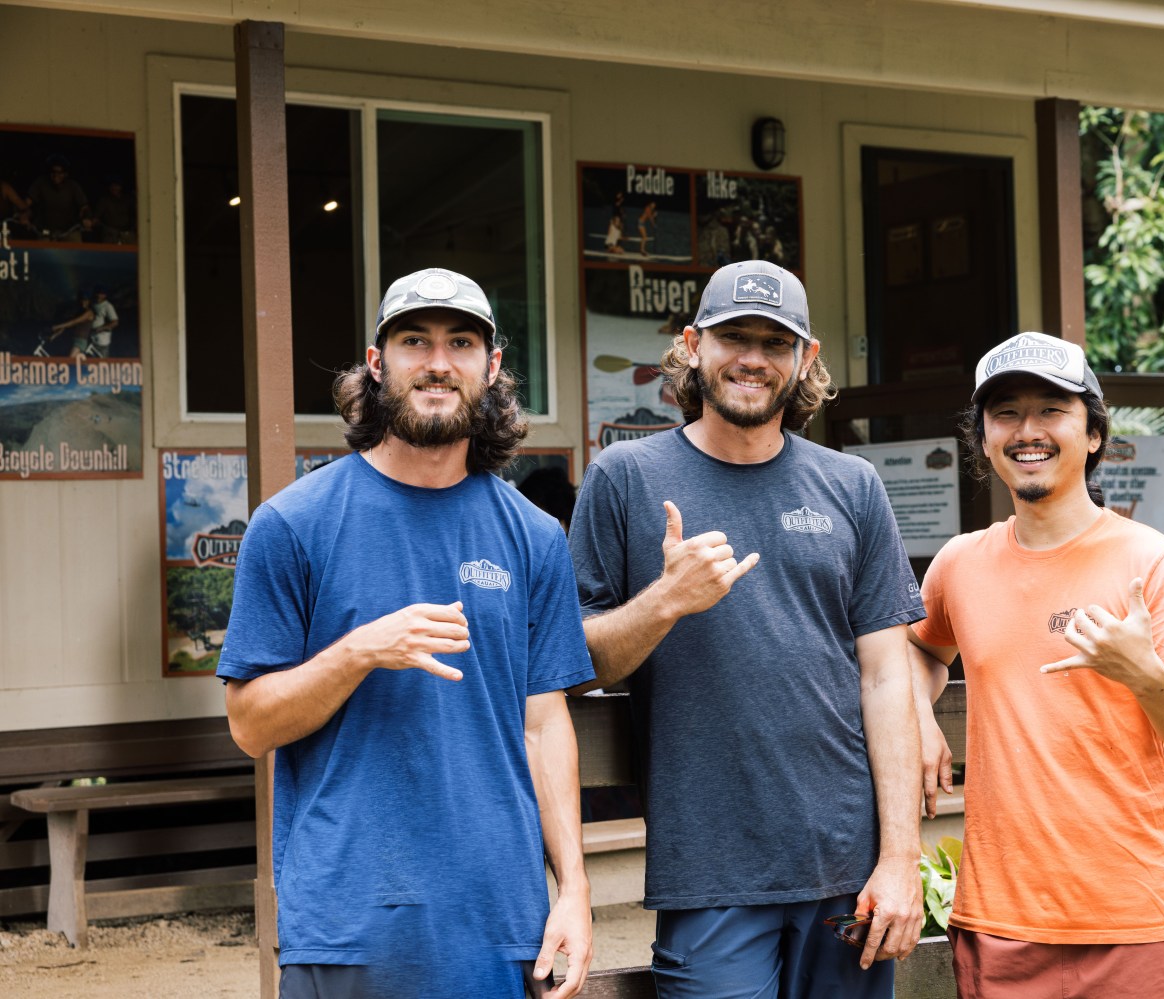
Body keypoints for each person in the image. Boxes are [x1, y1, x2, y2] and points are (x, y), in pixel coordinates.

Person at [216, 267, 595, 999]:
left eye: (460, 342)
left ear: (491, 367)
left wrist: (573, 889)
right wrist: (359, 650)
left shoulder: (534, 537)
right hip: (346, 920)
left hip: (498, 919)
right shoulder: (293, 524)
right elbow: (250, 726)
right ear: (376, 361)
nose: (438, 362)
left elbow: (544, 726)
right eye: (414, 340)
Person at [568, 259, 927, 999]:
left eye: (775, 340)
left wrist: (900, 856)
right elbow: (578, 660)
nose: (753, 358)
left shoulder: (851, 485)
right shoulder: (625, 478)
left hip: (847, 865)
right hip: (710, 866)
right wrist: (664, 600)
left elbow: (888, 676)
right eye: (735, 336)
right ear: (693, 344)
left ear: (805, 358)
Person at [906, 331, 1164, 998]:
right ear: (984, 439)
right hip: (999, 920)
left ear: (1092, 434)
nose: (1028, 431)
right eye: (1006, 413)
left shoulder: (1153, 565)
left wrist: (1143, 672)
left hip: (1137, 919)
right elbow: (915, 648)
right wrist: (917, 714)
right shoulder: (958, 565)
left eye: (1051, 410)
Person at [26, 155, 89, 240]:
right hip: (44, 230)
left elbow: (84, 206)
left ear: (66, 174)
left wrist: (86, 218)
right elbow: (27, 202)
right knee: (41, 250)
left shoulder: (73, 186)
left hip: (69, 230)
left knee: (76, 246)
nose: (56, 175)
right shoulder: (41, 183)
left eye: (60, 172)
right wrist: (24, 214)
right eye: (53, 172)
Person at [82, 286, 119, 357]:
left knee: (102, 362)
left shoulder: (108, 306)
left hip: (102, 341)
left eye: (100, 293)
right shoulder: (93, 304)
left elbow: (115, 322)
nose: (98, 295)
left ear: (105, 295)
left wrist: (101, 328)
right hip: (91, 339)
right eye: (97, 293)